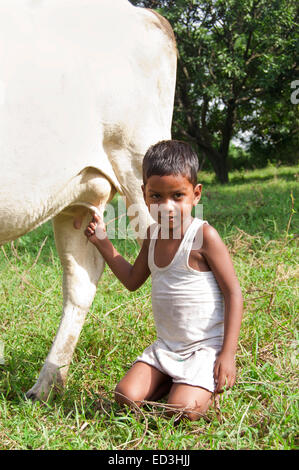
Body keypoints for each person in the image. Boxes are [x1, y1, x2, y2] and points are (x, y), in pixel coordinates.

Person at [84, 140, 243, 421]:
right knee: (125, 395)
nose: (166, 206)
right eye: (156, 196)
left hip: (205, 348)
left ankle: (189, 388)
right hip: (167, 348)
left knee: (182, 410)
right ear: (144, 195)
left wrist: (227, 355)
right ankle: (177, 383)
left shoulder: (204, 237)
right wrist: (102, 242)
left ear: (196, 194)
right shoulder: (153, 237)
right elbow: (133, 280)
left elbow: (233, 294)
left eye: (177, 196)